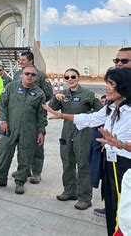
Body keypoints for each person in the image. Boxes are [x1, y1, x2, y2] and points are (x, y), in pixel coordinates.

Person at [44, 68, 131, 236]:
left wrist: (120, 144)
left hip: (124, 165)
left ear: (124, 86)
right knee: (112, 206)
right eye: (106, 83)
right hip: (110, 161)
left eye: (111, 84)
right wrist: (62, 116)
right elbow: (89, 119)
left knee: (124, 210)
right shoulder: (112, 108)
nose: (106, 87)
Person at [48, 68, 102, 210]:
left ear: (78, 78)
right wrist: (56, 97)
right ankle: (69, 191)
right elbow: (51, 109)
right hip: (66, 132)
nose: (70, 79)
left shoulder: (89, 94)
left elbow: (100, 111)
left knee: (83, 164)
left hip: (83, 133)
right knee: (67, 162)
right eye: (67, 77)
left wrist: (84, 116)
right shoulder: (63, 94)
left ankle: (84, 197)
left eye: (73, 76)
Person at [0, 65, 47, 195]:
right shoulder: (11, 87)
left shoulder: (39, 93)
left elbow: (42, 115)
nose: (29, 76)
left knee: (25, 157)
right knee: (4, 153)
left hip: (29, 130)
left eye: (32, 75)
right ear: (22, 74)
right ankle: (0, 179)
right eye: (27, 73)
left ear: (35, 77)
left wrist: (41, 131)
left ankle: (20, 182)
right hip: (9, 127)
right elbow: (2, 104)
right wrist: (3, 120)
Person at [92, 47, 131, 217]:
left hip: (126, 160)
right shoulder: (114, 104)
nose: (119, 64)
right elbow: (94, 118)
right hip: (112, 155)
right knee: (114, 202)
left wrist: (122, 144)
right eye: (116, 61)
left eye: (124, 61)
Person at [12, 51, 53, 184]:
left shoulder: (40, 76)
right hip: (20, 115)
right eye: (20, 60)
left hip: (35, 115)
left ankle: (36, 172)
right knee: (22, 144)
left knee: (37, 144)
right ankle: (24, 170)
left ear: (31, 61)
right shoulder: (18, 74)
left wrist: (33, 99)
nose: (20, 62)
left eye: (23, 60)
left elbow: (49, 94)